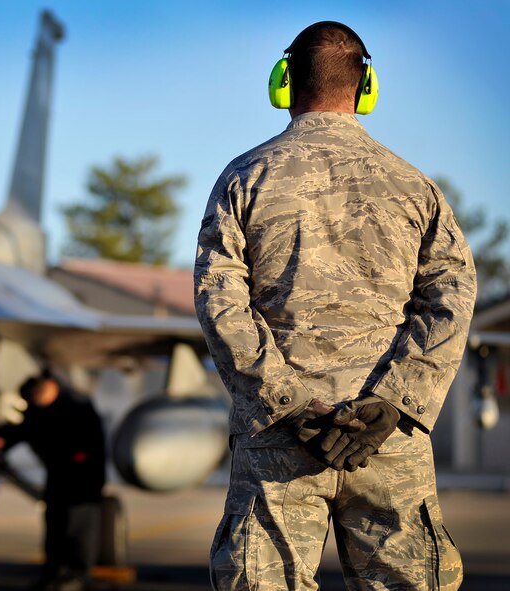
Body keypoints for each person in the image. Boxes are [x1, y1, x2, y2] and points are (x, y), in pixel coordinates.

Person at [194, 21, 476, 590]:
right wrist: (393, 405)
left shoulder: (245, 177)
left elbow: (219, 298)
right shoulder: (414, 186)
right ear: (365, 85)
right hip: (386, 442)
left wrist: (288, 404)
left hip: (281, 445)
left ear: (284, 83)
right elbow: (451, 294)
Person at [0, 372, 106, 591]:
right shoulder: (41, 411)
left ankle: (78, 576)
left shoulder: (77, 408)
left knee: (78, 529)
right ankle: (54, 575)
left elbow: (89, 447)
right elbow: (24, 429)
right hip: (59, 479)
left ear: (50, 387)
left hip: (83, 482)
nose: (33, 400)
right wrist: (1, 439)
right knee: (55, 528)